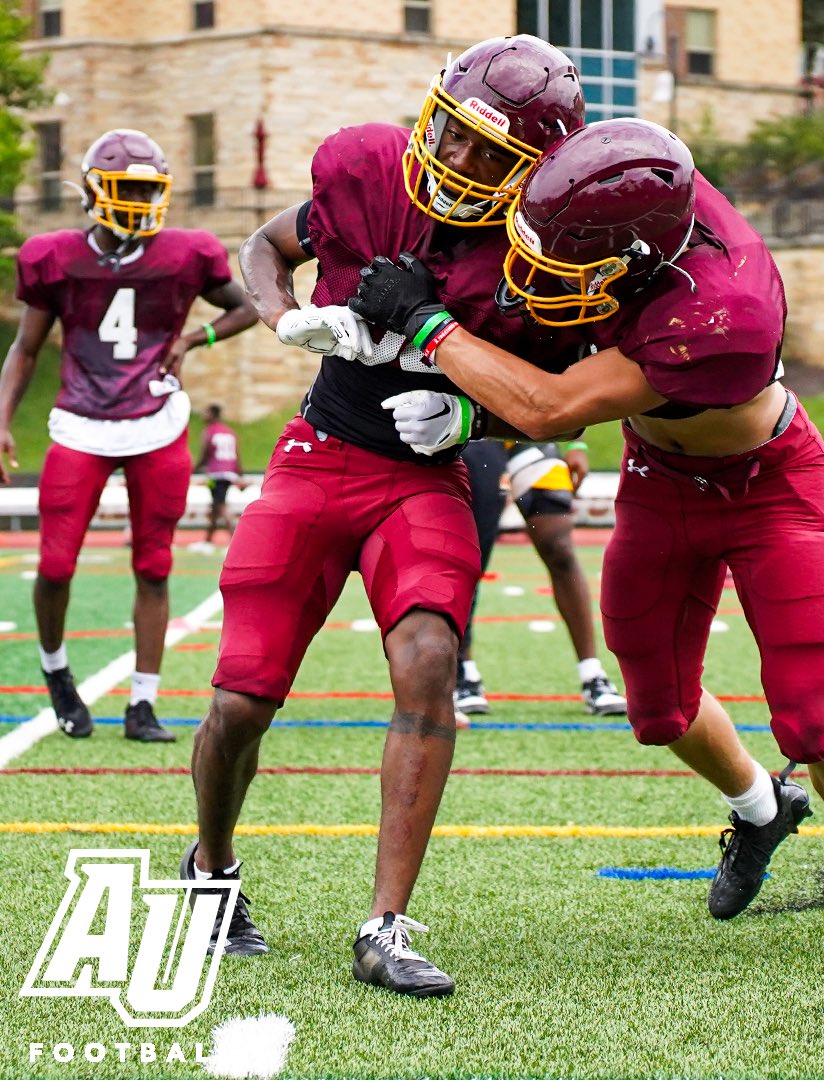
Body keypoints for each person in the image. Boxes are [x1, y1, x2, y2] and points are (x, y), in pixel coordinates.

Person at [351, 118, 824, 959]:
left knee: (808, 717)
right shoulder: (615, 189)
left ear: (634, 261)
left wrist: (431, 329)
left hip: (767, 486)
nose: (535, 278)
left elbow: (556, 408)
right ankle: (762, 812)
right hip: (659, 481)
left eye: (562, 265)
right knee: (657, 710)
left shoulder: (721, 311)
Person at [185, 36, 586, 997]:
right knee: (241, 697)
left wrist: (473, 413)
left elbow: (563, 387)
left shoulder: (541, 250)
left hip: (429, 473)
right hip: (322, 449)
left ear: (534, 171)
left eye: (493, 154)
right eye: (452, 131)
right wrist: (282, 315)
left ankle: (388, 923)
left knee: (429, 661)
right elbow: (266, 243)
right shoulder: (367, 170)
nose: (458, 160)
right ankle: (210, 866)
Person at [0, 128, 257, 743]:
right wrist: (1, 420)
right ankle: (57, 672)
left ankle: (143, 701)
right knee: (56, 565)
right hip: (82, 421)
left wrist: (194, 338)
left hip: (157, 421)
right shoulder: (52, 255)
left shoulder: (187, 252)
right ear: (94, 192)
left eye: (148, 189)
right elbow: (26, 347)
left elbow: (245, 307)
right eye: (126, 189)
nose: (139, 201)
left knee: (154, 564)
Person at [457, 438, 626, 716]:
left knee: (558, 547)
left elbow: (571, 392)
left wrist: (577, 445)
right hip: (478, 435)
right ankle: (462, 671)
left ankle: (592, 673)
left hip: (529, 434)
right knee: (474, 550)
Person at [193, 403, 246, 548]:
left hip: (215, 474)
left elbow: (205, 453)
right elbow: (236, 453)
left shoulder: (209, 431)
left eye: (206, 412)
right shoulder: (229, 431)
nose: (203, 416)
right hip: (228, 474)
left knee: (220, 505)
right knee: (215, 506)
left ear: (212, 414)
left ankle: (236, 540)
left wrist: (195, 468)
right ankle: (208, 540)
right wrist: (239, 473)